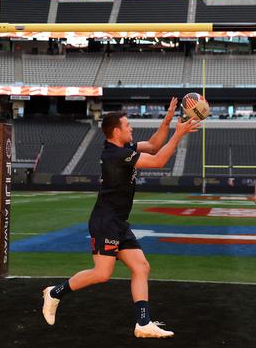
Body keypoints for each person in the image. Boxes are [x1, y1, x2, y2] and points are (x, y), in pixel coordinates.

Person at [41, 99, 200, 338]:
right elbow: (158, 161)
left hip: (118, 222)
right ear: (117, 131)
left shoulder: (123, 149)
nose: (131, 129)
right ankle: (55, 293)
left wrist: (167, 121)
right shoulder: (116, 155)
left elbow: (155, 147)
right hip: (106, 221)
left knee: (141, 266)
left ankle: (143, 324)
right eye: (127, 125)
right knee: (102, 273)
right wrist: (178, 135)